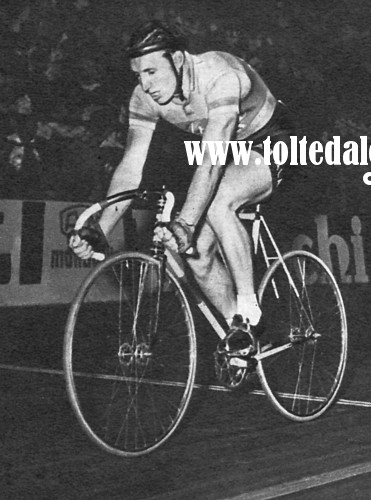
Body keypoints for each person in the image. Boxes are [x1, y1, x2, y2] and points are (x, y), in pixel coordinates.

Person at [69, 20, 293, 356]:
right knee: (196, 255)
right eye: (138, 75)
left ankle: (250, 309)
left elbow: (213, 160)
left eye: (151, 72)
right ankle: (241, 335)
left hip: (274, 141)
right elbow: (131, 167)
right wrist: (100, 230)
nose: (145, 85)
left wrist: (185, 222)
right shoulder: (144, 98)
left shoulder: (220, 75)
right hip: (231, 151)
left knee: (217, 203)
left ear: (176, 59)